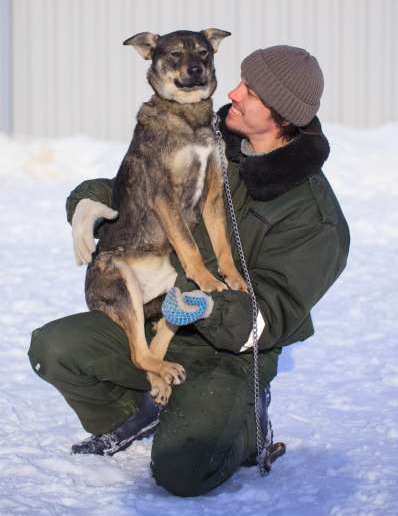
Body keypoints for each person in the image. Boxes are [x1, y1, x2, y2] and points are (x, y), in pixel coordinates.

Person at [28, 45, 350, 497]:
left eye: (250, 92)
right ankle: (134, 412)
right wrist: (87, 203)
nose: (232, 93)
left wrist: (208, 307)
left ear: (280, 116)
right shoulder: (211, 138)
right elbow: (140, 181)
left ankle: (244, 424)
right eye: (238, 80)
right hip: (159, 318)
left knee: (183, 472)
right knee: (53, 346)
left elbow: (272, 315)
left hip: (228, 356)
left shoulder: (314, 217)